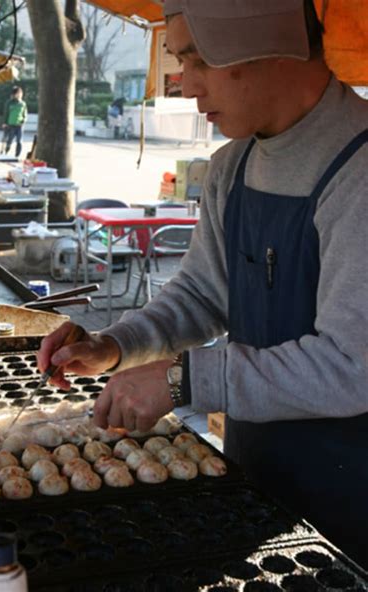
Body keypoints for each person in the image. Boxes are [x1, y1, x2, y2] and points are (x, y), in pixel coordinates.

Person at [38, 0, 368, 567]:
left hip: (352, 506)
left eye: (197, 60)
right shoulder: (231, 166)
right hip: (254, 482)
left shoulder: (358, 171)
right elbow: (201, 296)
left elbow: (352, 364)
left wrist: (182, 377)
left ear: (260, 42)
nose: (184, 85)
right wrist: (115, 346)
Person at [3, 86, 28, 157]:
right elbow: (6, 113)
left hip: (19, 125)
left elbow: (25, 114)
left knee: (19, 141)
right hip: (11, 125)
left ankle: (17, 155)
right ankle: (6, 151)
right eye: (16, 93)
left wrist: (24, 121)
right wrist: (5, 122)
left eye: (19, 93)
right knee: (9, 140)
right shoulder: (9, 103)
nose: (18, 95)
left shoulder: (23, 104)